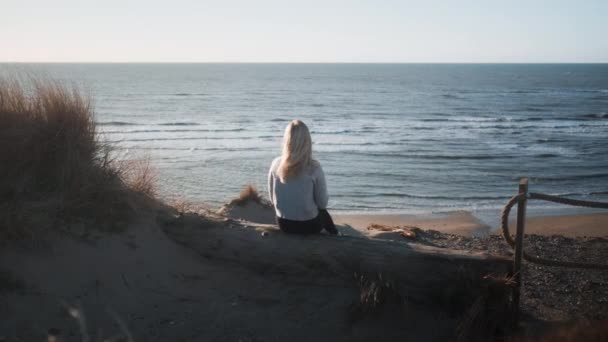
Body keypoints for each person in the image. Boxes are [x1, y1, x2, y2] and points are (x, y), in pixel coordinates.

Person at [268, 120, 338, 235]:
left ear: (287, 140)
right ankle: (336, 235)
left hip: (284, 224)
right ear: (307, 141)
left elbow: (272, 199)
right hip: (309, 226)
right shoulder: (314, 167)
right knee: (323, 213)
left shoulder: (276, 163)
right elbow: (322, 204)